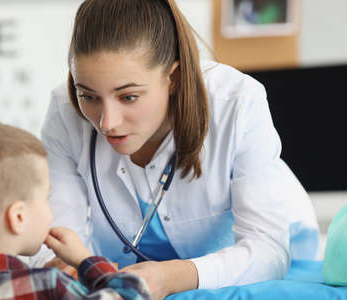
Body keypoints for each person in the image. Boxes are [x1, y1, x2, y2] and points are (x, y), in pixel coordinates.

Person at [31, 0, 320, 299]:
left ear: (174, 78)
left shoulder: (236, 103)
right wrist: (68, 267)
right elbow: (56, 240)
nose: (107, 122)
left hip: (256, 269)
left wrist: (174, 276)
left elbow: (268, 251)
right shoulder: (65, 112)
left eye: (128, 97)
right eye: (88, 95)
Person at [0, 118, 151, 300]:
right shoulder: (47, 286)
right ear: (18, 217)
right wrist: (84, 260)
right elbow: (132, 295)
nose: (50, 209)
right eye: (46, 197)